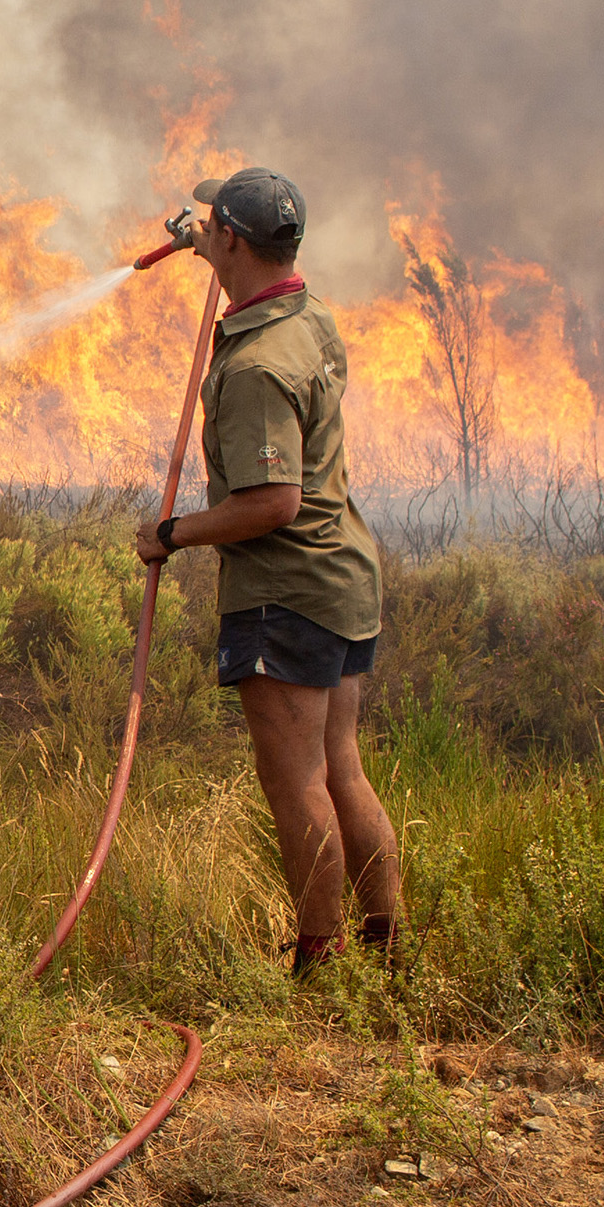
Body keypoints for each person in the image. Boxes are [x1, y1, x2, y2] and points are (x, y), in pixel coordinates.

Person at [129, 166, 402, 979]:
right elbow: (244, 264)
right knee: (341, 766)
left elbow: (271, 501)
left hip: (285, 593)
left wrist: (172, 533)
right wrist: (201, 243)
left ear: (237, 241)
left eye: (214, 225)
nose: (204, 230)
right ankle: (390, 961)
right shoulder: (304, 313)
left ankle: (318, 967)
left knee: (297, 784)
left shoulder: (254, 369)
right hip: (343, 577)